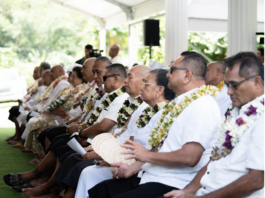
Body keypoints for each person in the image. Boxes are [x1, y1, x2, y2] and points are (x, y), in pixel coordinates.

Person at [88, 51, 221, 198]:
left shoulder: (202, 105)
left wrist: (146, 155)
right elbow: (159, 148)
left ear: (187, 75)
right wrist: (132, 168)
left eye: (172, 70)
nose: (168, 75)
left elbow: (190, 157)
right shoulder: (178, 104)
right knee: (101, 190)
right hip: (151, 175)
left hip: (172, 183)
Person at [19, 63, 132, 198]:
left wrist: (83, 133)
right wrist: (80, 130)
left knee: (70, 154)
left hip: (100, 142)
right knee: (58, 140)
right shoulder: (108, 95)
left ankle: (49, 187)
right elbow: (90, 116)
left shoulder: (122, 99)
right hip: (94, 139)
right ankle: (46, 180)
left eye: (100, 74)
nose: (97, 77)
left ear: (114, 78)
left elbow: (104, 126)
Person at [163, 51, 264, 198]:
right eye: (227, 85)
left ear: (256, 82)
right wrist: (187, 191)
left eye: (234, 85)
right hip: (204, 191)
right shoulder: (236, 113)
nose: (229, 92)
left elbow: (256, 180)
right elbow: (213, 161)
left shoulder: (262, 118)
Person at [72, 69, 175, 198]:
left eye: (146, 84)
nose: (141, 88)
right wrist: (111, 158)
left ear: (160, 90)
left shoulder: (168, 115)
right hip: (133, 166)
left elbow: (155, 152)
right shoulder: (146, 111)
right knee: (91, 176)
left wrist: (114, 160)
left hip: (148, 172)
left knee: (92, 176)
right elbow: (130, 144)